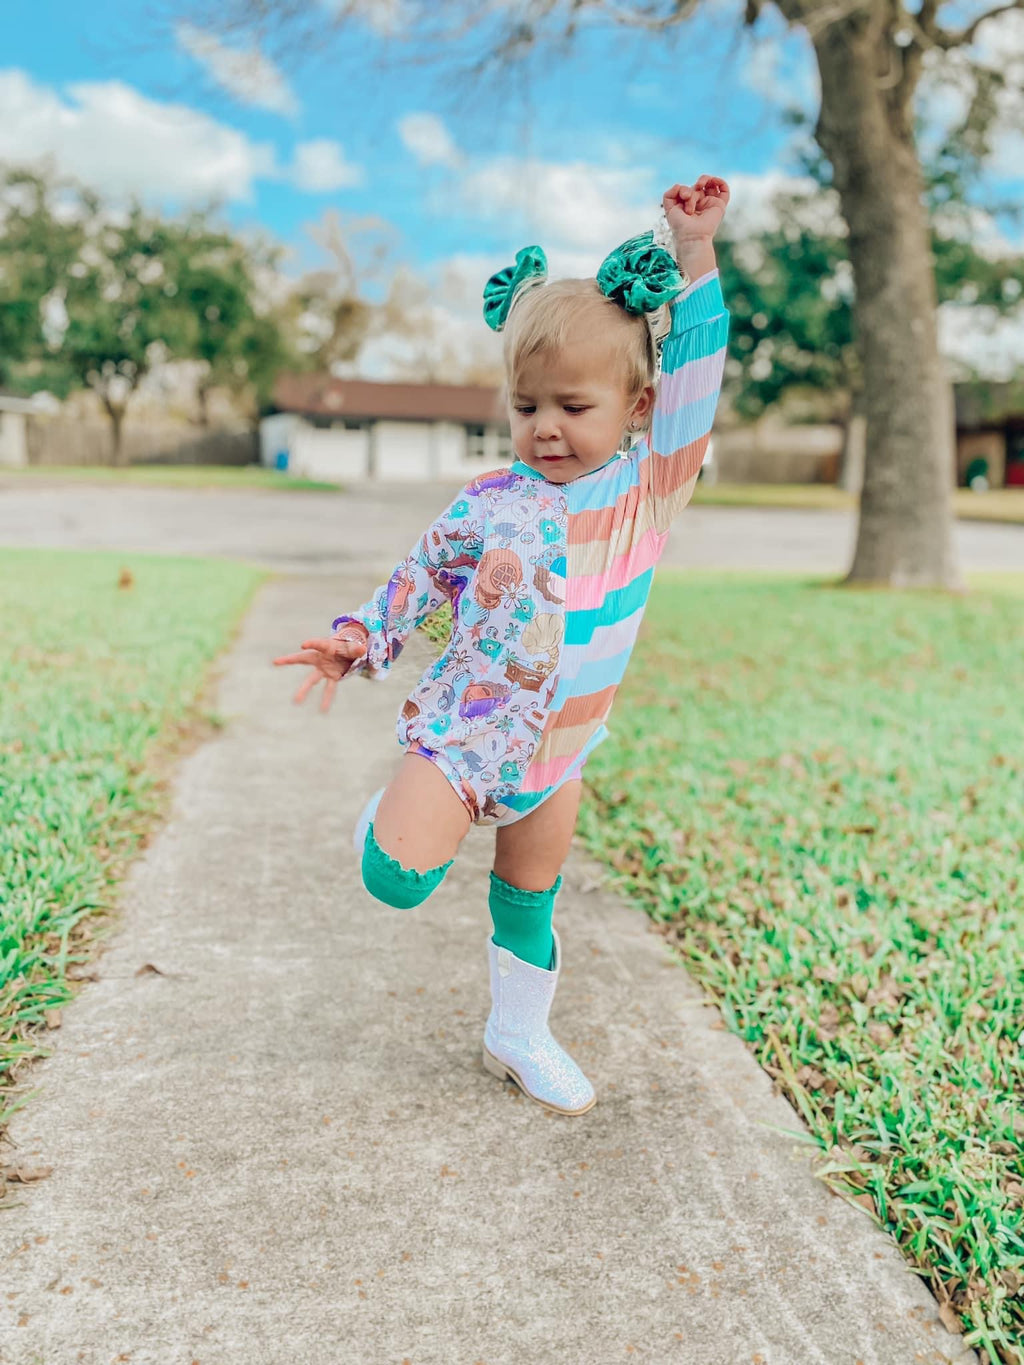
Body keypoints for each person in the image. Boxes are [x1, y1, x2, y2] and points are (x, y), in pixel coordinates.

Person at [274, 176, 731, 1117]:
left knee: (530, 890)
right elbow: (419, 577)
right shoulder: (490, 501)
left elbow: (700, 367)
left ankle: (517, 1033)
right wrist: (358, 637)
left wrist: (695, 254)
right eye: (527, 406)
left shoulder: (648, 491)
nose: (546, 427)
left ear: (639, 410)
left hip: (560, 751)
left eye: (573, 405)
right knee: (394, 881)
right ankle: (388, 819)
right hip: (464, 732)